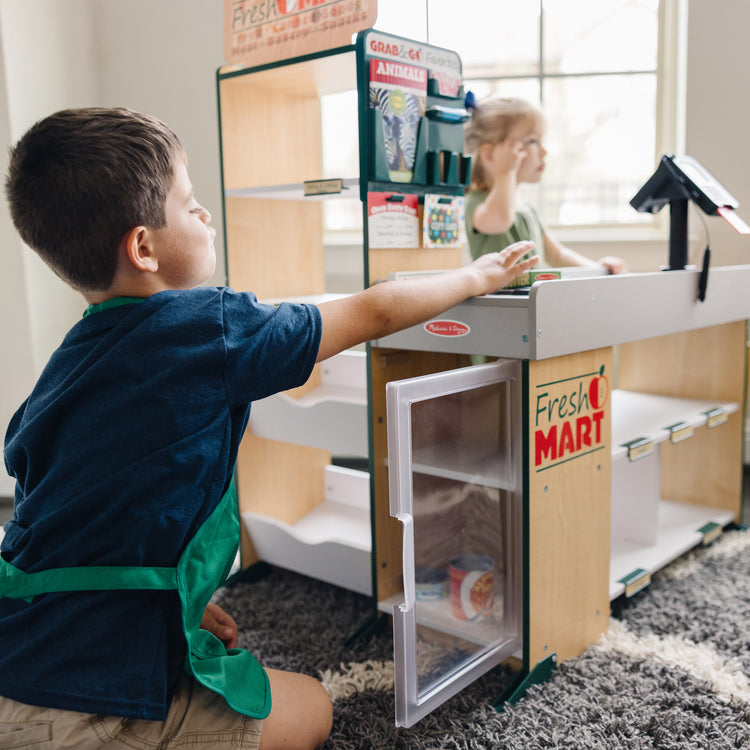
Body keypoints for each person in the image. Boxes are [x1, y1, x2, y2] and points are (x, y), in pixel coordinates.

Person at [0, 107, 539, 750]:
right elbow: (373, 308)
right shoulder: (211, 328)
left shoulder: (66, 365)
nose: (204, 215)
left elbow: (75, 516)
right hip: (89, 704)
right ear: (143, 248)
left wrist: (179, 604)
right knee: (311, 708)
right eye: (189, 203)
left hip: (17, 642)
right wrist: (479, 275)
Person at [463, 96, 626, 276]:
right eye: (532, 141)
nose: (544, 151)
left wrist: (598, 271)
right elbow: (501, 219)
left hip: (531, 302)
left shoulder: (526, 209)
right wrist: (506, 171)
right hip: (502, 304)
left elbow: (557, 255)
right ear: (490, 154)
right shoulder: (476, 202)